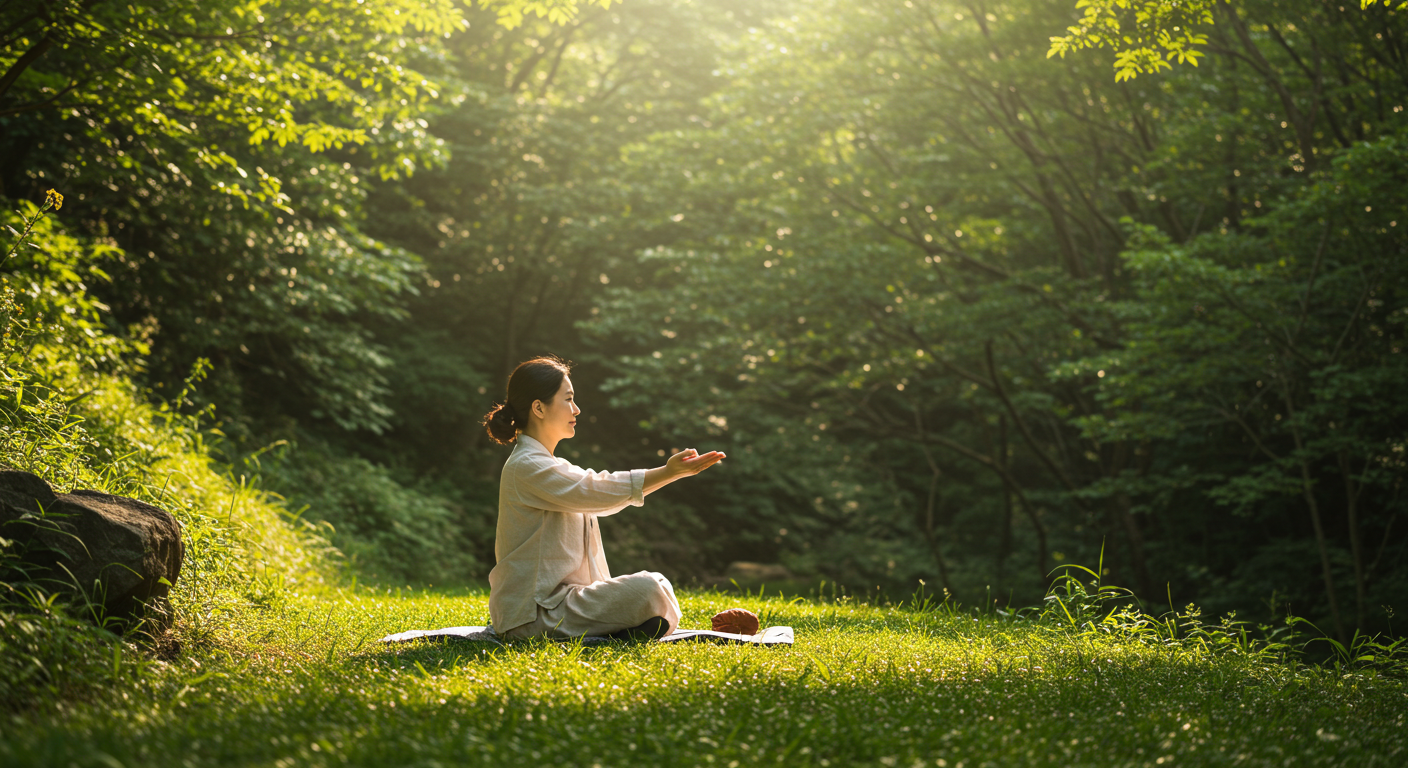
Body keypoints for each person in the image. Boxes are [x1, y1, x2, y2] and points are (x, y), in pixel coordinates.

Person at [482, 356, 725, 640]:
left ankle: (622, 628)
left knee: (655, 584)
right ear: (538, 407)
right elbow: (595, 489)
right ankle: (622, 628)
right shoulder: (527, 466)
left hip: (564, 604)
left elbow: (599, 497)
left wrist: (672, 474)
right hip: (533, 615)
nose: (577, 409)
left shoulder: (550, 464)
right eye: (568, 399)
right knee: (648, 588)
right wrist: (668, 472)